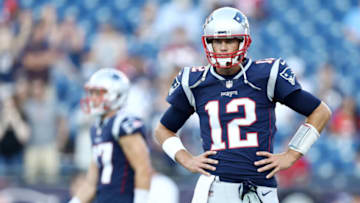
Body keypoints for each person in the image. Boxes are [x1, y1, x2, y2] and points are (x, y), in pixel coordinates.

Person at [154, 7, 332, 203]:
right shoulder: (196, 82)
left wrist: (292, 154)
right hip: (216, 187)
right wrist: (185, 158)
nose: (222, 47)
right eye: (216, 41)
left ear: (243, 41)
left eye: (229, 40)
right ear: (207, 43)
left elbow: (320, 111)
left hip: (261, 188)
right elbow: (163, 129)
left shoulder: (266, 75)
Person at [69, 68, 153, 203]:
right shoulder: (97, 127)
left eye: (99, 94)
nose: (93, 98)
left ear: (117, 95)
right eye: (92, 93)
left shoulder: (123, 124)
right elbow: (91, 183)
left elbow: (143, 168)